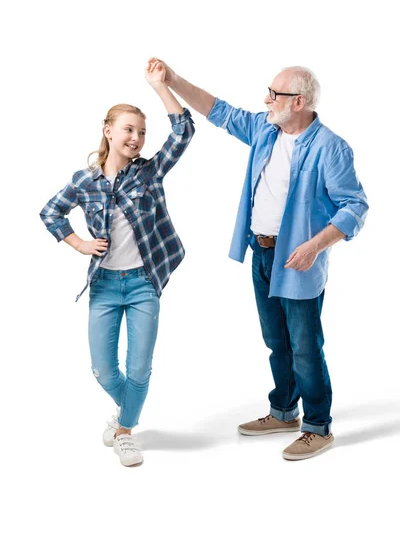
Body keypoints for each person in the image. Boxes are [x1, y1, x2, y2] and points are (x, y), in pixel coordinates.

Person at [146, 57, 368, 460]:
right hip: (261, 254)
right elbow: (220, 111)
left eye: (275, 94)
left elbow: (354, 207)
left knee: (304, 345)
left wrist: (315, 246)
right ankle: (284, 411)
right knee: (275, 341)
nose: (266, 100)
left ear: (298, 101)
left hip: (298, 261)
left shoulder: (330, 147)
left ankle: (318, 427)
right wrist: (172, 80)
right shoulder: (267, 129)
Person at [40, 62, 195, 467]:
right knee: (104, 371)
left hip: (144, 283)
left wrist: (159, 87)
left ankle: (125, 432)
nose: (137, 138)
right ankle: (128, 414)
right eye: (128, 129)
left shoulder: (149, 173)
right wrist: (78, 243)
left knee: (139, 367)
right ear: (108, 130)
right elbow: (51, 213)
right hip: (105, 286)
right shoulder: (85, 180)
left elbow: (183, 132)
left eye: (142, 132)